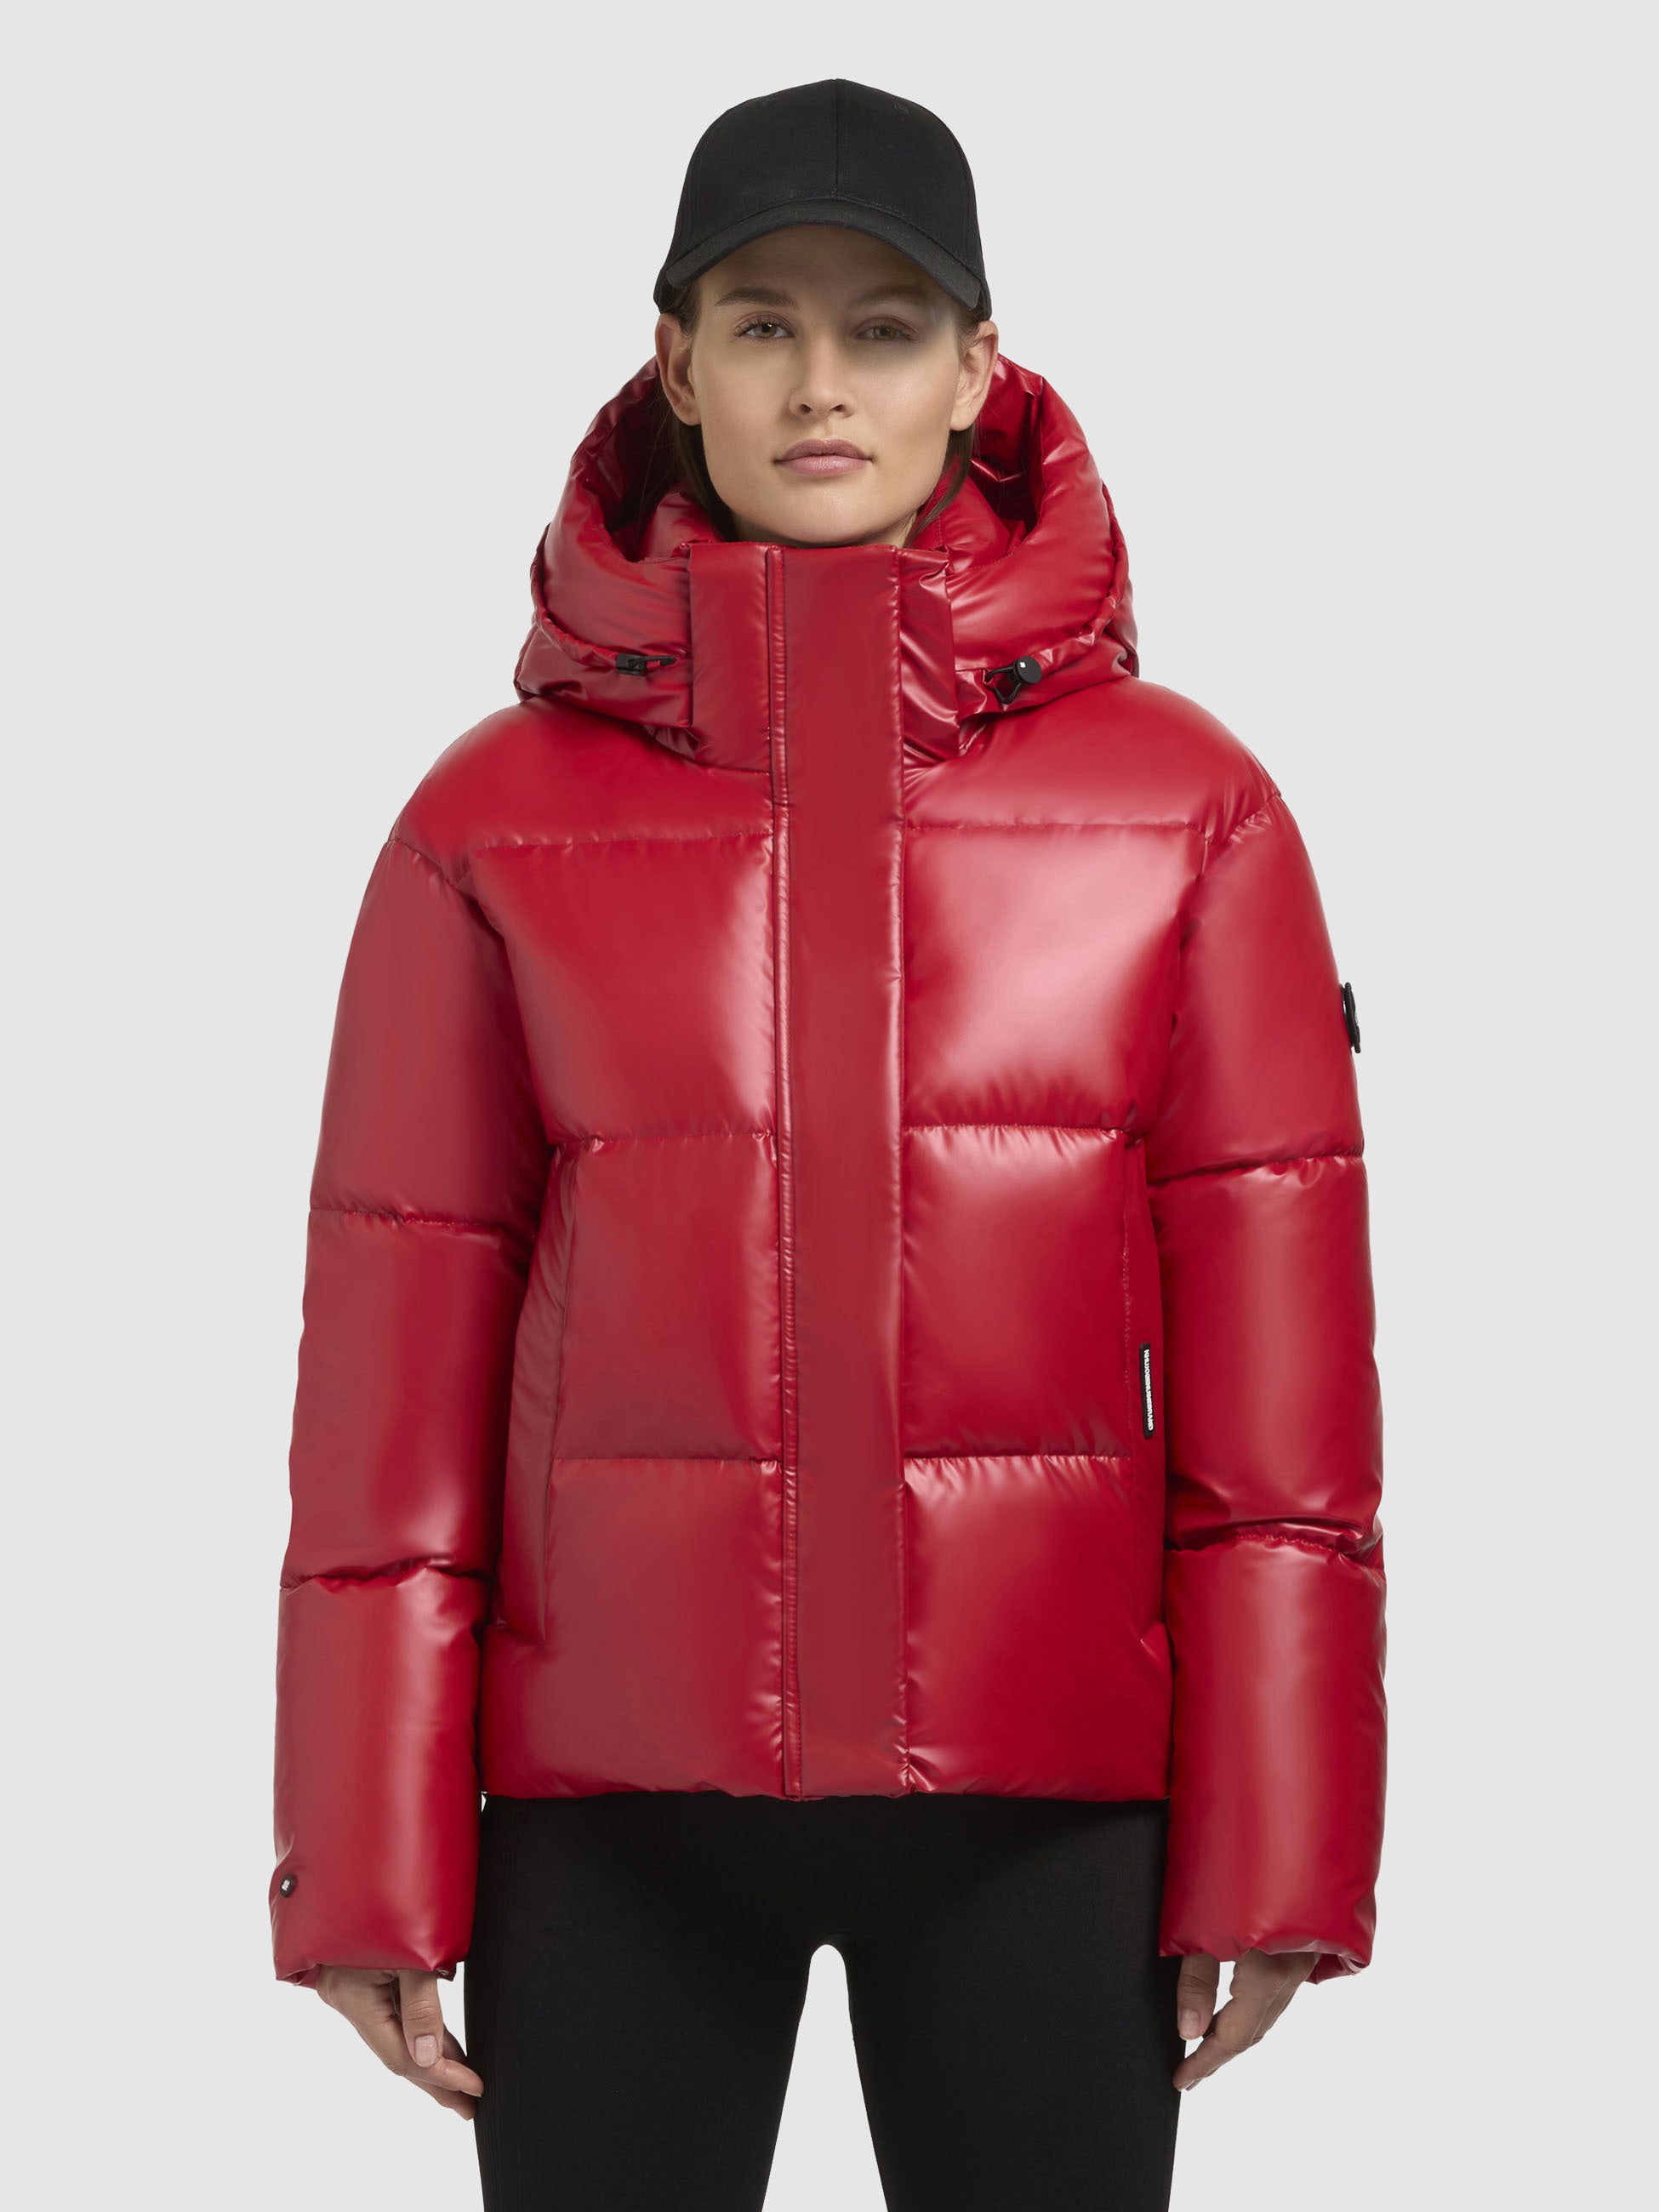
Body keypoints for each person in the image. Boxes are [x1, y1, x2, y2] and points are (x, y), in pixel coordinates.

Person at [269, 77, 1387, 2212]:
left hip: (1049, 1810)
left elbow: (1286, 1404)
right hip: (611, 1811)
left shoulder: (1193, 813)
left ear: (978, 369)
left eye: (883, 329)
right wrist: (364, 1851)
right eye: (762, 323)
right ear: (674, 362)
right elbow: (394, 1376)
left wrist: (1284, 1840)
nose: (818, 384)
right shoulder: (487, 824)